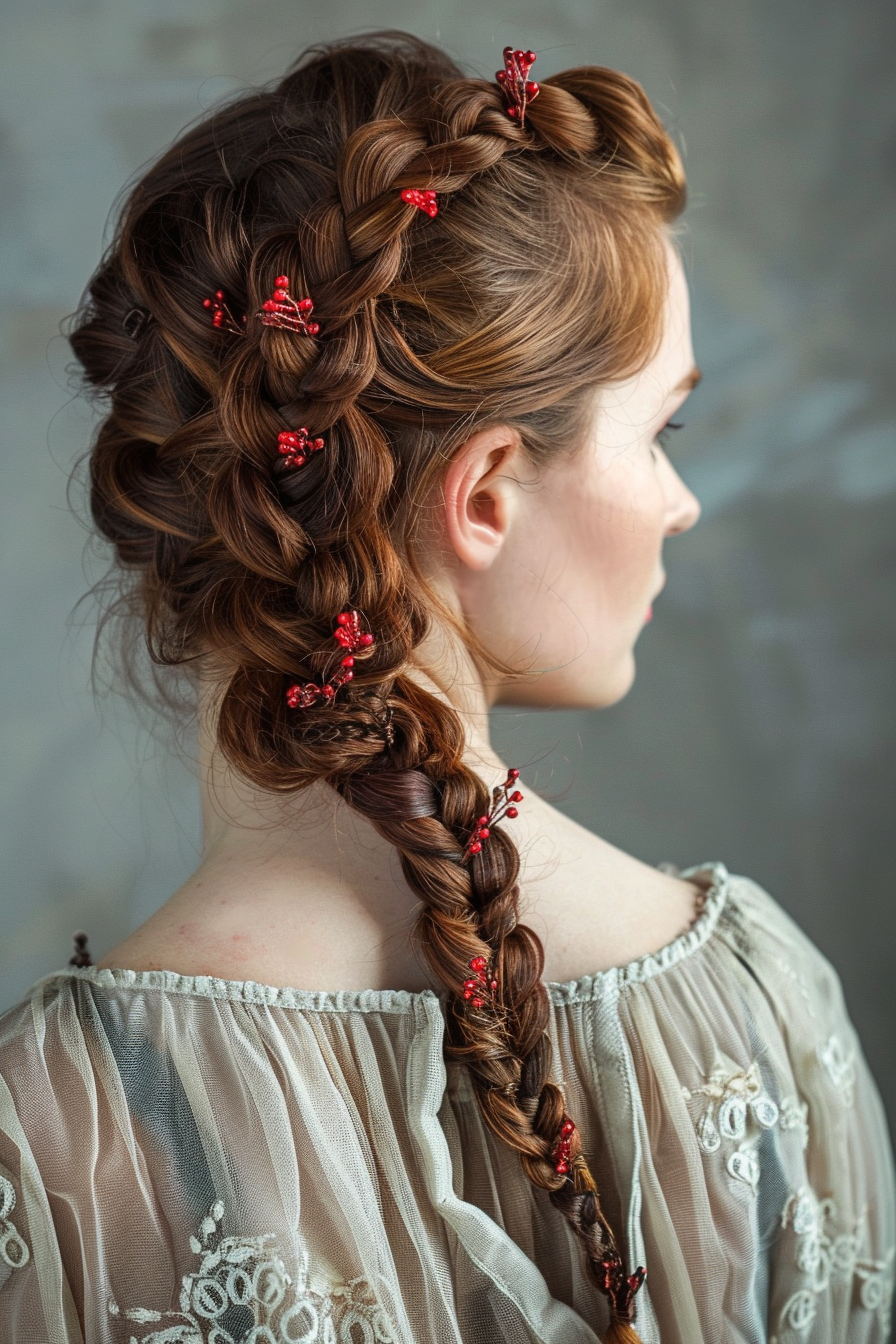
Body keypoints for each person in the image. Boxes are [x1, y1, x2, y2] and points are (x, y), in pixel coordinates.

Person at [0, 30, 892, 1344]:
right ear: (480, 495)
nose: (684, 504)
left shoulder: (49, 1137)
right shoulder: (760, 1009)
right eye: (663, 434)